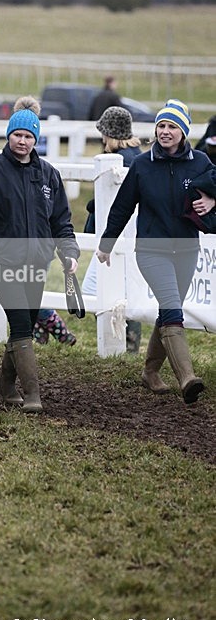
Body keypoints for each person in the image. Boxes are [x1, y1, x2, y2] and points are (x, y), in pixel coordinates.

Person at [0, 97, 80, 413]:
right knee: (22, 324)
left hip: (38, 263)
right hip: (1, 263)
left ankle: (4, 383)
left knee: (28, 318)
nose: (22, 141)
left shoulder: (48, 175)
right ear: (9, 135)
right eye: (18, 135)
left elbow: (61, 219)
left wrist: (69, 251)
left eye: (29, 136)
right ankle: (32, 394)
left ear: (36, 140)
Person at [96, 99, 216, 405]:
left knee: (168, 310)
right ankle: (187, 378)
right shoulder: (142, 164)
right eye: (161, 125)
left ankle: (150, 372)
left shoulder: (200, 162)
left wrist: (213, 202)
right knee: (173, 306)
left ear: (183, 131)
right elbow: (122, 207)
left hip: (187, 248)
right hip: (151, 249)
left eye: (172, 126)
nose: (165, 131)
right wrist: (107, 244)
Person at [82, 105, 143, 353]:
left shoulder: (123, 162)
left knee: (107, 290)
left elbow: (117, 201)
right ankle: (124, 344)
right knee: (118, 290)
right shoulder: (134, 157)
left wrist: (92, 206)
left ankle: (121, 345)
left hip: (119, 235)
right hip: (123, 235)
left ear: (111, 134)